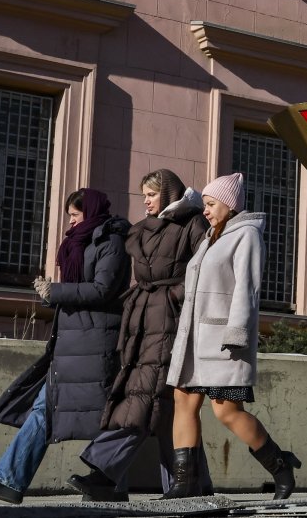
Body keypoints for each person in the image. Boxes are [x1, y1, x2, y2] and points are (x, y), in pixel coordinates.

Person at [0, 189, 130, 504]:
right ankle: (10, 479)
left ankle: (108, 485)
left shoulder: (110, 243)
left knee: (102, 415)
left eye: (75, 215)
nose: (70, 221)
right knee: (48, 408)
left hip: (95, 343)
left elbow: (103, 290)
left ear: (91, 212)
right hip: (73, 342)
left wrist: (55, 292)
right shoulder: (83, 242)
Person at [66, 170, 214, 501]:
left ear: (168, 194)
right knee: (166, 410)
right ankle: (193, 485)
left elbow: (205, 271)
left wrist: (174, 295)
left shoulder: (192, 224)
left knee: (141, 397)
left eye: (151, 193)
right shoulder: (141, 230)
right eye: (143, 194)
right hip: (141, 324)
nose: (145, 200)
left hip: (171, 323)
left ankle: (104, 472)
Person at [162, 173, 301, 500]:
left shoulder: (247, 236)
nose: (206, 210)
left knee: (225, 411)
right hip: (194, 340)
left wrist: (237, 332)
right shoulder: (212, 237)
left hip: (223, 340)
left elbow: (247, 289)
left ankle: (281, 466)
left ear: (229, 204)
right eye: (205, 204)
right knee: (183, 401)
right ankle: (185, 484)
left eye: (211, 204)